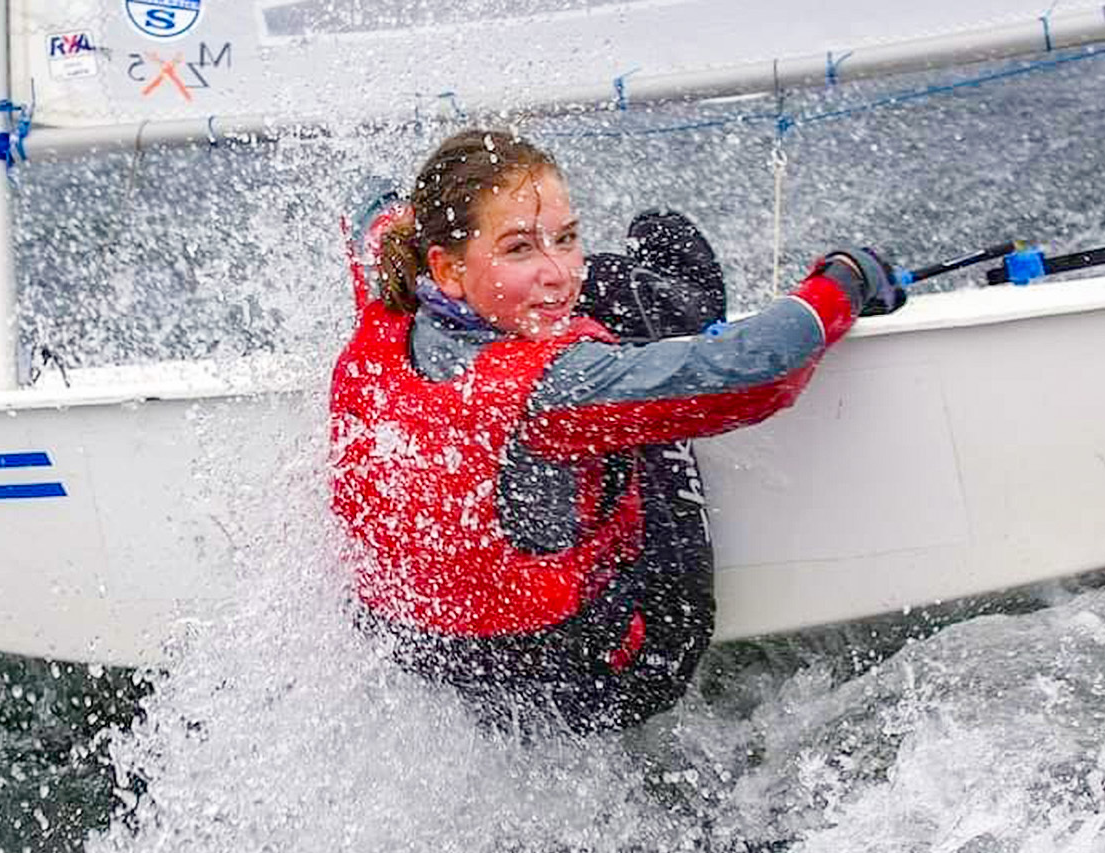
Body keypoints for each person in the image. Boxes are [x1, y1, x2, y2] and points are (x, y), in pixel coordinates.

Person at [330, 129, 903, 731]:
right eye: (520, 248)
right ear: (446, 268)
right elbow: (764, 370)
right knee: (642, 309)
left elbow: (372, 209)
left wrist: (457, 219)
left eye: (567, 238)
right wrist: (846, 279)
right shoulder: (555, 389)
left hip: (425, 659)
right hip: (590, 679)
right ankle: (676, 317)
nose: (558, 272)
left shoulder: (385, 292)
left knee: (597, 288)